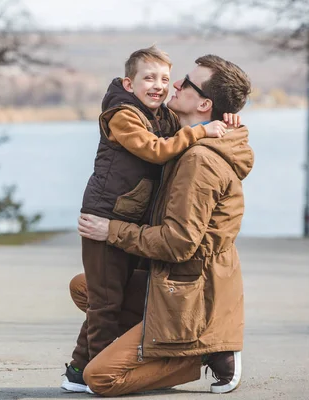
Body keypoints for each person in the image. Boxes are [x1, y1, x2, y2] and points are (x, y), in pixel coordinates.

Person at [76, 54, 253, 396]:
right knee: (87, 288)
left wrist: (110, 230)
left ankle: (196, 353)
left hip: (188, 295)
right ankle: (176, 343)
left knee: (100, 378)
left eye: (185, 82)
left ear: (204, 103)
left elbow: (178, 243)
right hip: (179, 284)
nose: (174, 84)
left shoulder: (199, 161)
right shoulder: (187, 137)